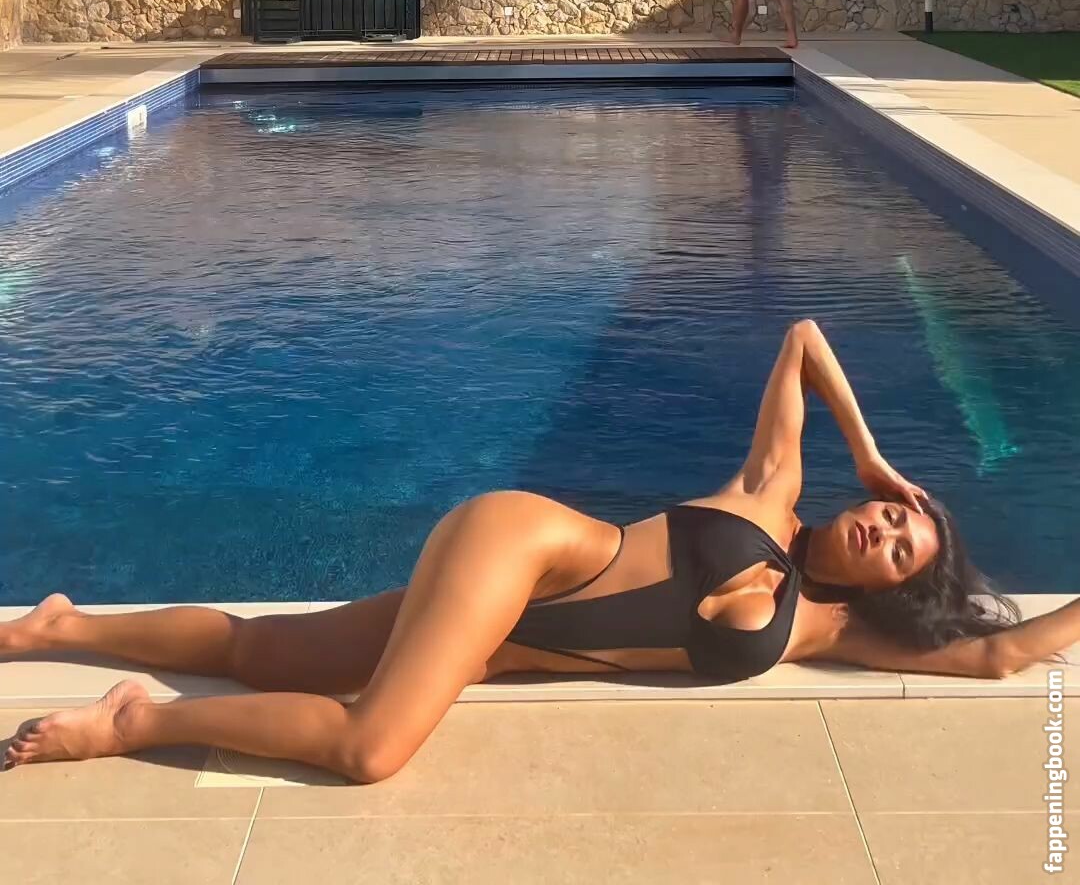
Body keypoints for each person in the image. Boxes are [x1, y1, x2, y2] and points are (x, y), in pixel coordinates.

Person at [2, 318, 1072, 786]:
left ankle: (60, 625)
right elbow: (802, 338)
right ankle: (131, 723)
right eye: (893, 514)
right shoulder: (773, 491)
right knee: (371, 747)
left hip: (498, 636)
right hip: (520, 548)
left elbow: (1001, 655)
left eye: (900, 550)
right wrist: (874, 451)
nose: (884, 528)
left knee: (266, 653)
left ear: (896, 586)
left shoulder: (826, 634)